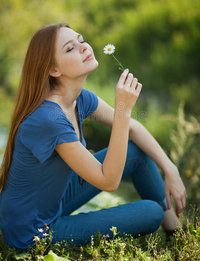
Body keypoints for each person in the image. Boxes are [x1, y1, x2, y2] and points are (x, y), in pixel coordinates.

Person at [0, 23, 187, 250]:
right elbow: (109, 181)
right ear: (53, 70)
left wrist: (170, 169)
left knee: (136, 151)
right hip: (33, 232)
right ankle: (179, 239)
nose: (83, 47)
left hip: (52, 203)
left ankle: (178, 235)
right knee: (151, 212)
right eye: (70, 48)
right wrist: (123, 111)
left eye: (81, 40)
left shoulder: (79, 99)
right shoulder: (48, 119)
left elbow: (134, 129)